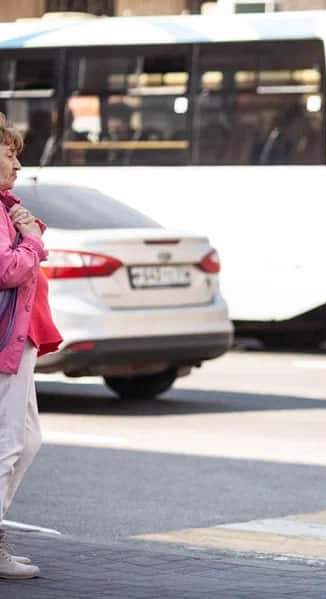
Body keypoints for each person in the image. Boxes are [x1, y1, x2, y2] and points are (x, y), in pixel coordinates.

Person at [0, 112, 62, 580]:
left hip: (20, 340)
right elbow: (8, 270)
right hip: (5, 340)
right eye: (8, 154)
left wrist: (28, 231)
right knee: (8, 444)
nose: (17, 164)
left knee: (28, 441)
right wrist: (34, 241)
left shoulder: (7, 207)